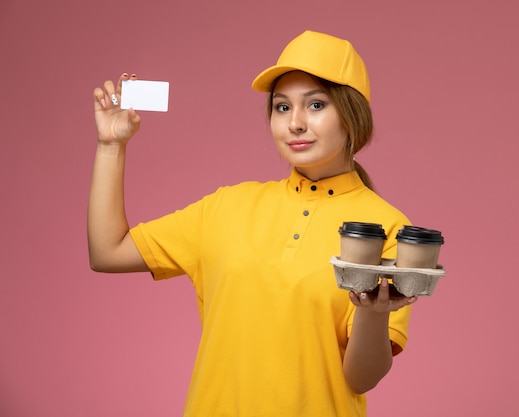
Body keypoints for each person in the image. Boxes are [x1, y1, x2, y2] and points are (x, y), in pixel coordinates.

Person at [89, 30, 417, 417]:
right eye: (282, 107)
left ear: (353, 115)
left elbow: (361, 378)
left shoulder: (388, 228)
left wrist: (374, 311)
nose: (295, 123)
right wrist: (111, 146)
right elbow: (107, 251)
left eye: (315, 105)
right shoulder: (228, 206)